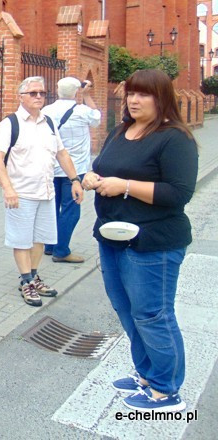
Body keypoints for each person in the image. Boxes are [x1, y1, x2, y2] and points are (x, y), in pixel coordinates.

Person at [82, 69, 196, 413]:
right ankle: (146, 373)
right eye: (131, 93)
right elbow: (105, 167)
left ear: (161, 99)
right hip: (112, 238)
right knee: (128, 311)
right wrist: (92, 176)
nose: (134, 100)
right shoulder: (122, 130)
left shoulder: (174, 138)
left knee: (153, 314)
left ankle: (166, 389)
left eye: (143, 94)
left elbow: (178, 193)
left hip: (153, 243)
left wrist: (124, 186)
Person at [0, 76, 83, 307]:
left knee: (40, 239)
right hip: (21, 194)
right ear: (21, 97)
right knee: (22, 241)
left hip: (46, 192)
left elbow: (62, 153)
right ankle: (25, 282)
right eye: (33, 93)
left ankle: (33, 275)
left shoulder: (49, 122)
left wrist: (75, 180)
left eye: (42, 92)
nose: (39, 96)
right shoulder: (10, 124)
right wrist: (8, 188)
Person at [41, 77, 101, 263]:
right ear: (76, 92)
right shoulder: (83, 111)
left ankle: (49, 246)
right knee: (71, 210)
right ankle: (61, 250)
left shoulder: (46, 111)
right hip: (74, 170)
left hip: (51, 167)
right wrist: (87, 95)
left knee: (52, 207)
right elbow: (97, 118)